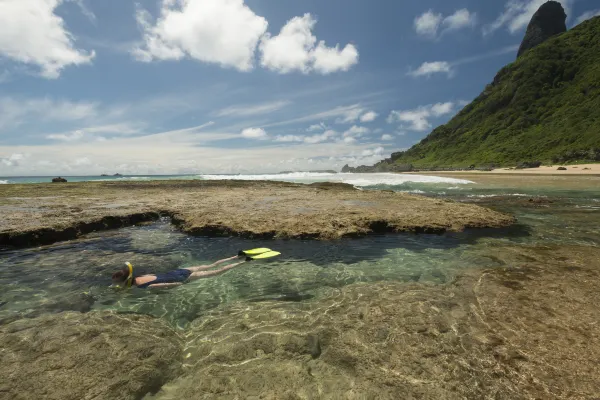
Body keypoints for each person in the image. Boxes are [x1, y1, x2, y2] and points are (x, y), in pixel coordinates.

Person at [111, 255, 250, 289]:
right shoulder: (142, 276)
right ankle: (236, 256)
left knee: (218, 272)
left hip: (184, 277)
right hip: (179, 270)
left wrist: (184, 284)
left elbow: (175, 285)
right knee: (211, 265)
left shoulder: (147, 287)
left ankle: (244, 261)